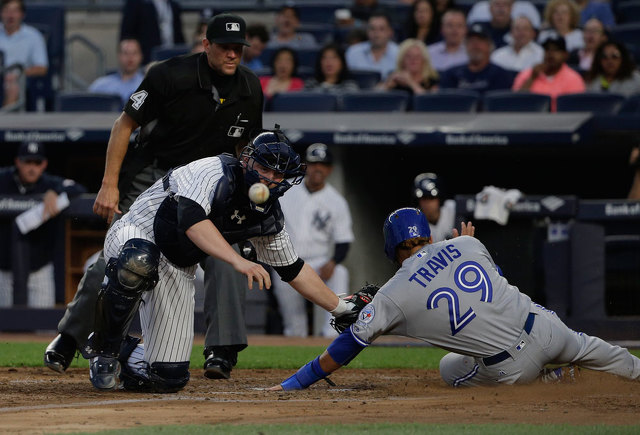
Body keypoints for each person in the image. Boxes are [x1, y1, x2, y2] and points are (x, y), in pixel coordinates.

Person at [43, 13, 264, 383]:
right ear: (206, 45)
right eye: (225, 47)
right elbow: (123, 124)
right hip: (155, 175)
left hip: (210, 183)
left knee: (227, 255)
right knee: (122, 255)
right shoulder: (169, 74)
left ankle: (221, 351)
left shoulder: (250, 86)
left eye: (238, 48)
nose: (232, 54)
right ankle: (70, 337)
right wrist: (109, 184)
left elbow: (245, 147)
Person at [85, 130, 359, 393]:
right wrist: (238, 261)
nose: (270, 179)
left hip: (178, 264)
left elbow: (294, 270)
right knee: (138, 260)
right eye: (265, 168)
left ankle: (125, 353)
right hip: (137, 232)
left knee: (169, 378)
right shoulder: (212, 170)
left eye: (278, 174)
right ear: (248, 160)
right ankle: (103, 349)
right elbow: (193, 222)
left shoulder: (267, 217)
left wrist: (341, 308)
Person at [270, 207, 640, 391]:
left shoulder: (392, 297)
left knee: (450, 368)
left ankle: (550, 379)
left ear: (389, 246)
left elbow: (346, 347)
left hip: (510, 367)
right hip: (547, 327)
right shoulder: (468, 242)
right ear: (427, 235)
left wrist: (296, 383)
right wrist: (457, 243)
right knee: (601, 351)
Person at [272, 143, 354, 338]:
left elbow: (344, 240)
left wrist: (333, 262)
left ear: (330, 169)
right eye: (314, 163)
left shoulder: (336, 201)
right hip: (285, 259)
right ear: (305, 165)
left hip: (318, 263)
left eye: (323, 164)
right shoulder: (286, 188)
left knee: (340, 272)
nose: (318, 168)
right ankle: (293, 353)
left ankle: (332, 333)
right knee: (294, 325)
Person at [0, 141, 86, 308]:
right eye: (27, 162)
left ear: (44, 164)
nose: (32, 168)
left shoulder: (49, 183)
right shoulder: (4, 179)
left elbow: (78, 187)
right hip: (4, 271)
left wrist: (56, 191)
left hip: (39, 271)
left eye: (37, 163)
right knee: (6, 328)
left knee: (42, 329)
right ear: (18, 162)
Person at [512, 34, 586, 111]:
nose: (550, 53)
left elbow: (576, 110)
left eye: (556, 50)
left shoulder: (574, 79)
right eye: (547, 49)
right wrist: (532, 78)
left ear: (565, 55)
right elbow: (516, 104)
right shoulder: (527, 74)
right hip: (529, 120)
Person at [438, 24, 514, 94]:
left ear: (489, 46)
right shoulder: (451, 75)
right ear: (466, 46)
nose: (475, 45)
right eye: (471, 41)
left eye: (480, 41)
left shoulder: (501, 75)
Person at [0, 0, 48, 108]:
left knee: (11, 85)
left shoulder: (33, 36)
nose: (10, 15)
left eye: (15, 11)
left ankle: (4, 122)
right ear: (1, 13)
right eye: (7, 11)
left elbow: (42, 68)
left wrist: (19, 74)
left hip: (18, 78)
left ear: (22, 15)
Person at [119, 0, 185, 65]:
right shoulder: (136, 3)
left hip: (171, 61)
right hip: (147, 61)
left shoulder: (173, 5)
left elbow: (179, 37)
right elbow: (127, 34)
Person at [88, 39, 145, 109]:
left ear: (141, 56)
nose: (130, 57)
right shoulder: (100, 85)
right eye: (126, 53)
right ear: (119, 56)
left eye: (134, 53)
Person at [346, 11, 399, 80]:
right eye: (372, 29)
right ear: (367, 31)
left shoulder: (399, 53)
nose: (376, 33)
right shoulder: (353, 52)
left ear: (390, 32)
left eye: (381, 29)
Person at [413, 172, 456, 242]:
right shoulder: (414, 222)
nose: (427, 203)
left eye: (431, 198)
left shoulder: (453, 208)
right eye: (424, 198)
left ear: (440, 199)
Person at [427, 8, 468, 72]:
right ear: (442, 29)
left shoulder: (471, 54)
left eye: (459, 26)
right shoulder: (429, 53)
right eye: (450, 25)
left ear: (465, 29)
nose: (455, 30)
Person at [467, 0, 541, 29]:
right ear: (490, 8)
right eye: (497, 4)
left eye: (505, 4)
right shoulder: (478, 26)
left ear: (511, 8)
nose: (501, 9)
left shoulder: (518, 29)